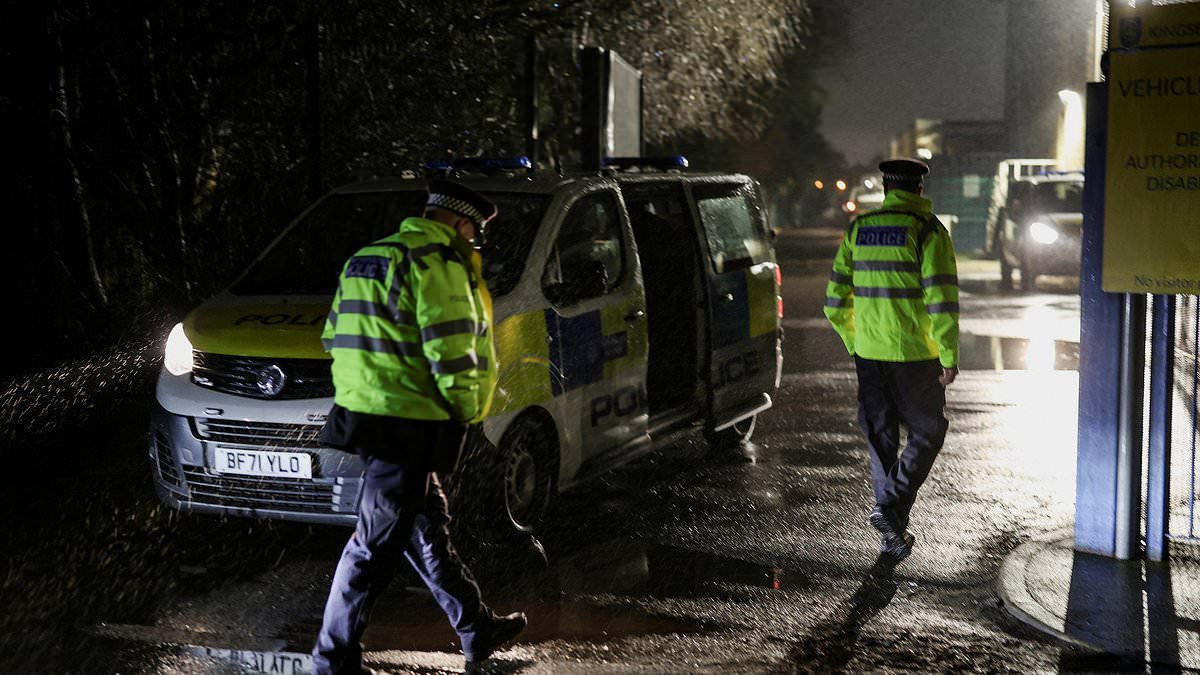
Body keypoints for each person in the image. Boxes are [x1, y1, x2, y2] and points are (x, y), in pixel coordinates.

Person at [312, 179, 527, 674]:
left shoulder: (370, 256)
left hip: (366, 416)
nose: (475, 239)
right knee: (372, 546)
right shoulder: (439, 263)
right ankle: (332, 659)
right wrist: (466, 411)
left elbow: (331, 336)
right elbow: (454, 352)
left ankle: (477, 627)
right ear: (456, 221)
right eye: (474, 229)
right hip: (410, 421)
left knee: (427, 527)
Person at [822, 158, 960, 562]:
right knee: (928, 433)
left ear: (886, 189)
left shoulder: (858, 230)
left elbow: (833, 302)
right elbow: (942, 301)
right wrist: (949, 356)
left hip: (869, 355)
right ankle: (889, 508)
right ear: (919, 189)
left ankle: (891, 534)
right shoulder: (929, 231)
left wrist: (856, 341)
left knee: (881, 438)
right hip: (915, 357)